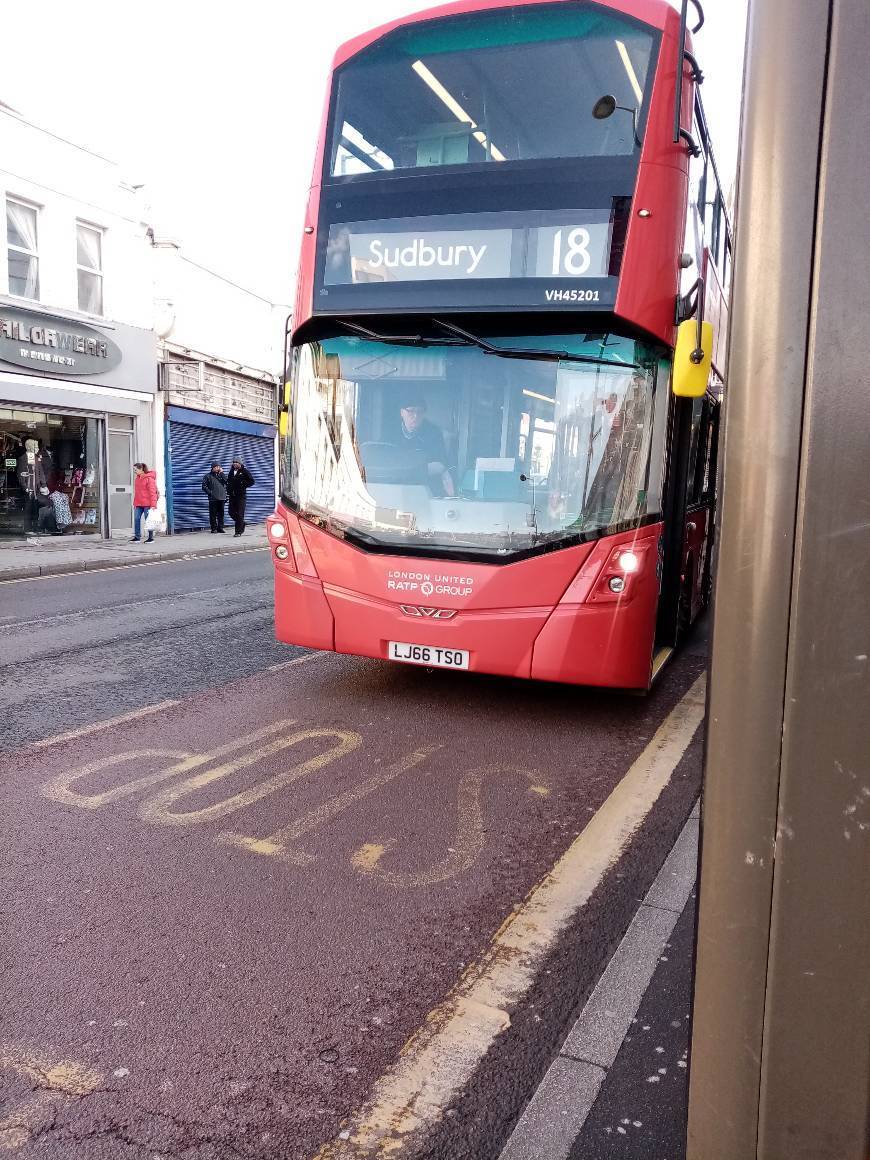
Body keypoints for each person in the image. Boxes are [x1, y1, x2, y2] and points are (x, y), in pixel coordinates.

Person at [396, 393, 455, 496]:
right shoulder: (389, 432)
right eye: (411, 411)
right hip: (394, 487)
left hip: (425, 489)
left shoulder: (434, 433)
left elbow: (440, 465)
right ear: (402, 412)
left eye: (420, 412)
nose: (415, 416)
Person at [226, 458, 255, 537]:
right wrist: (228, 492)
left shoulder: (244, 471)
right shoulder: (231, 471)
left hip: (241, 496)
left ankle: (238, 532)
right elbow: (229, 482)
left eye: (236, 462)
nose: (235, 463)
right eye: (234, 462)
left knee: (239, 514)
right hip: (232, 496)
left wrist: (242, 484)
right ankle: (242, 522)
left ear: (240, 463)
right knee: (231, 512)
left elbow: (252, 481)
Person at [131, 462, 159, 543]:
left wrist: (153, 505)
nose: (134, 471)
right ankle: (137, 537)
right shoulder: (137, 479)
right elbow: (137, 493)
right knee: (136, 519)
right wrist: (135, 503)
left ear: (141, 469)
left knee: (148, 521)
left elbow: (152, 493)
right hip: (139, 503)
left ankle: (150, 538)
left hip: (148, 504)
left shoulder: (149, 479)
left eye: (135, 469)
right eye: (134, 470)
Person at [202, 462, 228, 532]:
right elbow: (204, 486)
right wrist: (210, 493)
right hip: (213, 499)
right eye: (216, 467)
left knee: (221, 514)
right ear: (212, 468)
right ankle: (214, 528)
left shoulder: (221, 475)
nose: (217, 468)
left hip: (222, 498)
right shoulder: (207, 476)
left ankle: (220, 528)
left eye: (218, 467)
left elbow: (227, 482)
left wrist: (222, 473)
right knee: (213, 514)